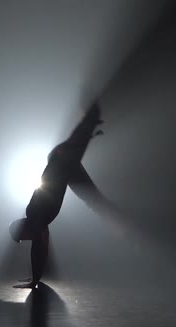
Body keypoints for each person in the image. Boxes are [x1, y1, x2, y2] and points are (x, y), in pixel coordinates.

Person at [9, 102, 105, 289]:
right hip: (62, 165)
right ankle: (91, 121)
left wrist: (34, 281)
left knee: (78, 141)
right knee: (95, 199)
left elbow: (38, 250)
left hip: (60, 162)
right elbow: (41, 249)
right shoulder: (39, 222)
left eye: (23, 237)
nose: (28, 239)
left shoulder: (35, 218)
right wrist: (35, 278)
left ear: (22, 230)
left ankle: (91, 117)